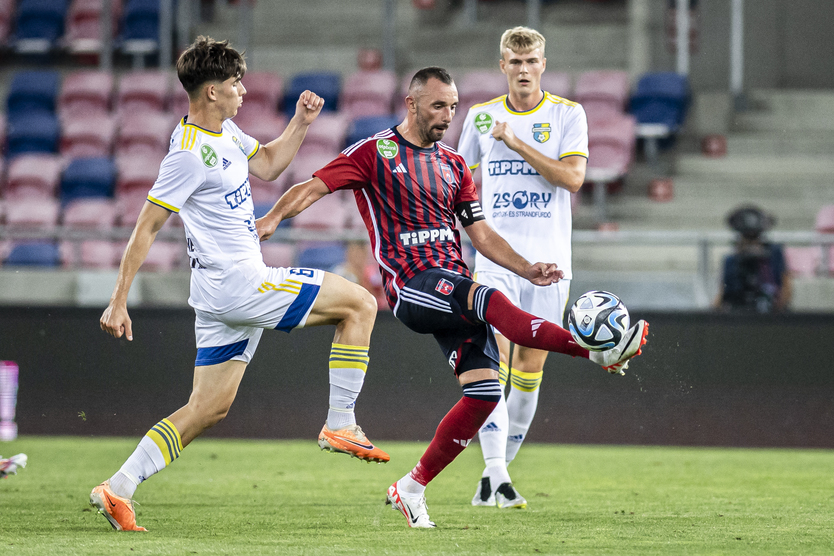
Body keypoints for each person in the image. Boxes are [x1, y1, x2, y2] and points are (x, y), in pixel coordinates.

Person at [256, 67, 649, 528]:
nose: (448, 115)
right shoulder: (374, 152)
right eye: (439, 105)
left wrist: (526, 267)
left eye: (454, 106)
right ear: (412, 104)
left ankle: (411, 488)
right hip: (412, 284)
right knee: (494, 304)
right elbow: (311, 187)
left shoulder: (454, 164)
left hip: (452, 283)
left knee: (483, 394)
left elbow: (480, 233)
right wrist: (271, 220)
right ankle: (596, 352)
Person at [90, 36, 389, 533]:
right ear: (211, 91)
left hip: (217, 294)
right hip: (240, 284)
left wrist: (301, 123)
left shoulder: (225, 132)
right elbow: (146, 227)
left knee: (208, 408)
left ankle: (118, 488)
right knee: (360, 304)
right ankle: (340, 421)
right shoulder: (188, 154)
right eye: (235, 83)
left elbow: (269, 163)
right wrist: (118, 299)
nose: (243, 91)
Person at [456, 26, 588, 509]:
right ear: (503, 66)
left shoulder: (568, 114)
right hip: (497, 261)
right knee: (494, 361)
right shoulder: (480, 116)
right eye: (515, 61)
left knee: (530, 371)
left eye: (532, 61)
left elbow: (572, 178)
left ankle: (494, 477)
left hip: (550, 263)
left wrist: (516, 144)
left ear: (543, 65)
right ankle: (498, 474)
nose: (524, 70)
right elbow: (458, 179)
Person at [715, 204, 791, 313]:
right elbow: (722, 295)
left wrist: (778, 312)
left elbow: (786, 287)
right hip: (738, 313)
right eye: (746, 237)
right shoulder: (731, 261)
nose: (751, 244)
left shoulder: (773, 254)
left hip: (770, 311)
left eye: (755, 237)